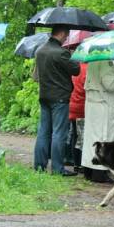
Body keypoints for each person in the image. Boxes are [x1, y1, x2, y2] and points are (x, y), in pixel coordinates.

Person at [33, 25, 80, 176]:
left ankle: (39, 166)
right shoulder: (61, 53)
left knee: (43, 132)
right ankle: (58, 168)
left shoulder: (40, 51)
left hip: (44, 96)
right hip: (59, 97)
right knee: (59, 133)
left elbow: (36, 75)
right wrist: (73, 57)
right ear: (61, 34)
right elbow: (76, 70)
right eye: (66, 36)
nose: (66, 39)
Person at [81, 60, 114, 182]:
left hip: (93, 103)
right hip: (104, 104)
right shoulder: (106, 62)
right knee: (105, 137)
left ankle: (89, 170)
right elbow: (110, 84)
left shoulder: (94, 61)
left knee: (91, 137)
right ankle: (100, 172)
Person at [68, 62, 87, 173]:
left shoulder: (74, 68)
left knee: (75, 136)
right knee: (82, 137)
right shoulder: (88, 69)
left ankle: (76, 163)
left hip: (72, 105)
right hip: (82, 107)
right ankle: (81, 164)